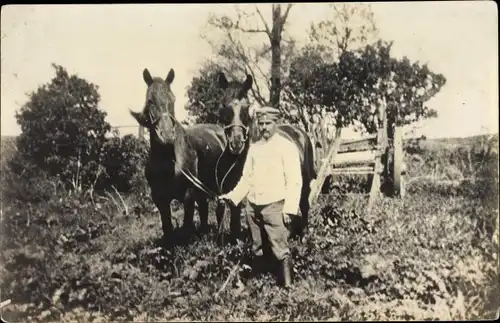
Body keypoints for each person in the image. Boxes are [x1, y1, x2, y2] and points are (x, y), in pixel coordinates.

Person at [219, 106, 302, 288]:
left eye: (268, 123)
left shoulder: (286, 147)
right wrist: (232, 197)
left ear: (276, 123)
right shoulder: (255, 148)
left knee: (279, 246)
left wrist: (289, 208)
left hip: (275, 205)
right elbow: (246, 178)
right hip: (253, 205)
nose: (264, 127)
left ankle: (288, 286)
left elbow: (295, 180)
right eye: (261, 123)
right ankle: (259, 282)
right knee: (257, 245)